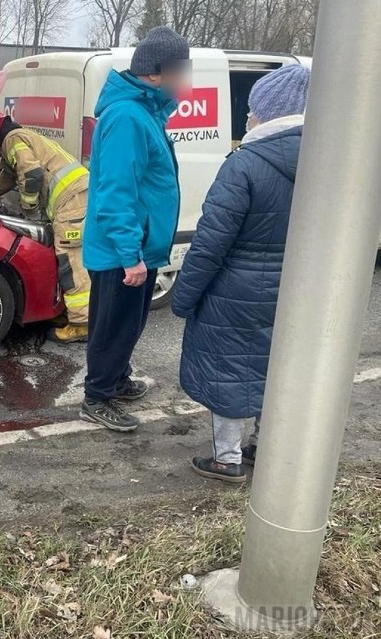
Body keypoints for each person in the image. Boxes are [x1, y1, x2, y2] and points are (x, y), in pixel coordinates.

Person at [173, 64, 310, 483]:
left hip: (236, 290)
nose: (247, 117)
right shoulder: (328, 163)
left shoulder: (244, 165)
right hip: (296, 289)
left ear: (266, 113)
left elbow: (211, 242)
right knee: (276, 367)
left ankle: (227, 459)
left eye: (252, 109)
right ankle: (264, 448)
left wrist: (183, 296)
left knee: (228, 370)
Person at [79, 26, 190, 432]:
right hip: (122, 251)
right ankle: (98, 395)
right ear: (159, 72)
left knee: (128, 322)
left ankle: (116, 378)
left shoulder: (145, 111)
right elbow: (116, 192)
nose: (187, 80)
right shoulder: (128, 117)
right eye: (182, 69)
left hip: (138, 247)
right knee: (113, 325)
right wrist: (131, 254)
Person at [0, 110, 91, 343]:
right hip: (75, 198)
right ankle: (70, 312)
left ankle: (82, 323)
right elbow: (5, 181)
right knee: (64, 258)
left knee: (70, 259)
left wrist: (30, 210)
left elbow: (32, 174)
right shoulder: (17, 138)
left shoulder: (12, 140)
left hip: (73, 200)